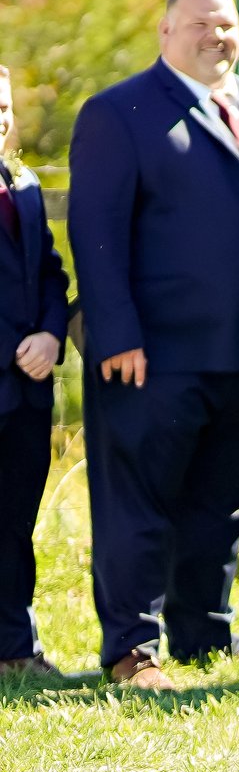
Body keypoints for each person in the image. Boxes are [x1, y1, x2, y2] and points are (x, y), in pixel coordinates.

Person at [69, 0, 239, 690]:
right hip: (151, 354)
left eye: (226, 24)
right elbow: (95, 234)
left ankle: (204, 634)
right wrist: (116, 335)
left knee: (219, 505)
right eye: (198, 24)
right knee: (139, 506)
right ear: (165, 32)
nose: (215, 36)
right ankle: (133, 648)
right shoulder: (119, 112)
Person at [0, 67, 72, 679]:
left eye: (1, 107)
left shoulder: (20, 185)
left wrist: (50, 335)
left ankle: (15, 650)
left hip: (26, 388)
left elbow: (50, 272)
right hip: (8, 367)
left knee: (16, 521)